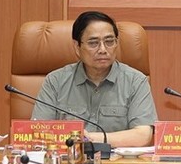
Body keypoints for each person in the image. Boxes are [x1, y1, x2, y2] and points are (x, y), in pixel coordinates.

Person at [32, 11, 157, 146]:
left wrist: (88, 138)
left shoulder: (135, 81)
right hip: (69, 162)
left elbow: (143, 135)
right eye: (93, 43)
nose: (103, 49)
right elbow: (38, 133)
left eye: (109, 41)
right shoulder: (55, 81)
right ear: (77, 47)